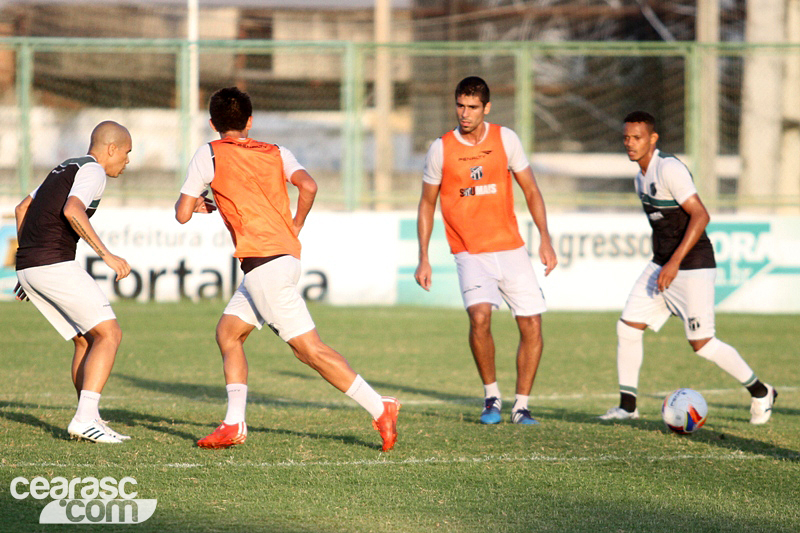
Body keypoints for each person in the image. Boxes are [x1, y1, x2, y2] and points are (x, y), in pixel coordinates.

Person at [175, 87, 400, 451]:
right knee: (228, 334)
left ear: (213, 124)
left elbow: (182, 213)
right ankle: (233, 423)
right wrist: (296, 223)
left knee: (309, 350)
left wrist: (199, 205)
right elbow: (308, 186)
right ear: (250, 121)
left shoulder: (209, 153)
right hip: (282, 258)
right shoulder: (277, 152)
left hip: (264, 265)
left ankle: (380, 406)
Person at [599, 111, 776, 424]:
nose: (630, 143)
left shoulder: (669, 169)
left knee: (702, 344)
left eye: (637, 137)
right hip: (663, 264)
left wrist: (675, 263)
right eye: (626, 137)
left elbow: (701, 215)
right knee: (627, 326)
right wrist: (664, 263)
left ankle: (761, 392)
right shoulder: (639, 177)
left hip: (692, 264)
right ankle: (628, 407)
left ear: (653, 139)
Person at [415, 76, 558, 425]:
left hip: (511, 248)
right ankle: (491, 396)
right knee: (479, 316)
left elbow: (532, 190)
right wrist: (424, 257)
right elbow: (426, 204)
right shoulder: (442, 148)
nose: (465, 113)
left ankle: (521, 405)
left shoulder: (506, 139)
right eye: (460, 106)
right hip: (470, 251)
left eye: (472, 107)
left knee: (532, 325)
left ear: (486, 108)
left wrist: (545, 237)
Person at [14, 121, 133, 444]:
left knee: (86, 339)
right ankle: (84, 419)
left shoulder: (65, 167)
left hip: (32, 265)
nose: (127, 160)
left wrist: (26, 259)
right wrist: (106, 254)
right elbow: (73, 210)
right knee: (109, 334)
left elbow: (22, 207)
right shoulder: (93, 171)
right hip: (53, 263)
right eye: (127, 152)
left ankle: (89, 417)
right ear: (111, 148)